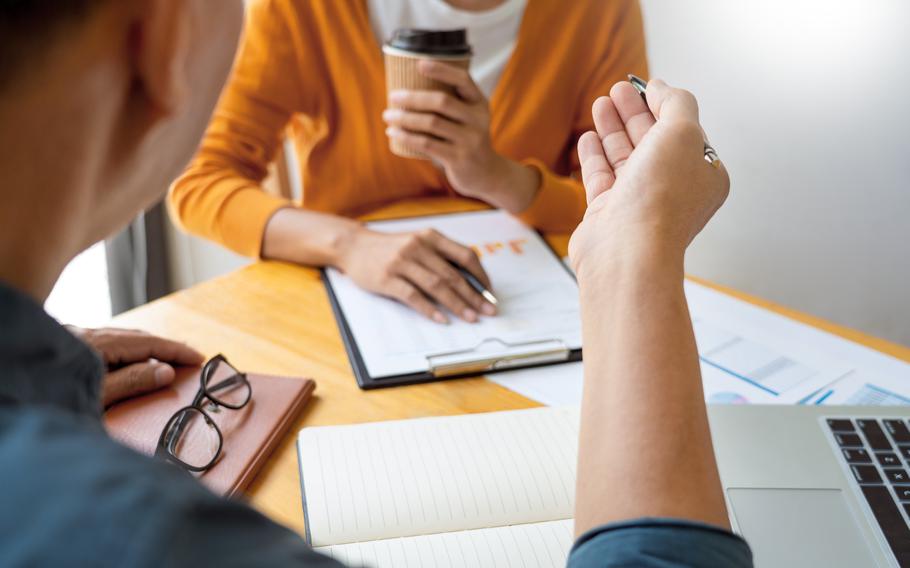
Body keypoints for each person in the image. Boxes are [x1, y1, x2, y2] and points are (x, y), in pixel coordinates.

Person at [0, 1, 752, 567]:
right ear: (167, 37)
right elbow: (209, 181)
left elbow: (589, 192)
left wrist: (495, 175)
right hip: (349, 341)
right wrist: (640, 257)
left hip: (529, 324)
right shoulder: (146, 537)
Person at [168, 0, 648, 324]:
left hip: (537, 310)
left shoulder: (597, 10)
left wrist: (496, 176)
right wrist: (349, 245)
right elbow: (200, 183)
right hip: (358, 308)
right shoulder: (308, 10)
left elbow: (629, 199)